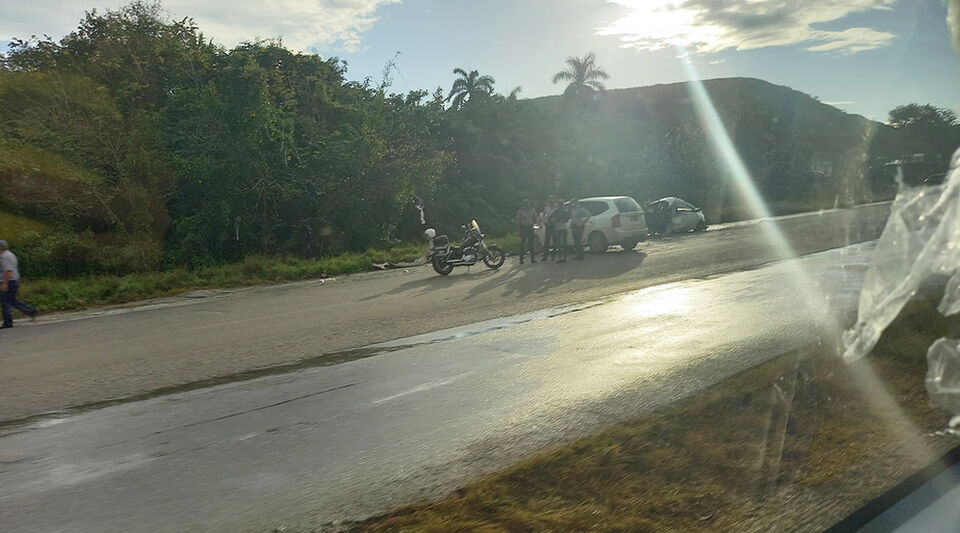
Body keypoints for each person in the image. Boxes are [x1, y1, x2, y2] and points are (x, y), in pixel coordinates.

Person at [0, 240, 38, 329]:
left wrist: (5, 284)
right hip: (12, 280)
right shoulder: (8, 255)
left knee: (5, 302)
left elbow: (8, 271)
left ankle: (8, 323)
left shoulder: (5, 257)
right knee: (12, 300)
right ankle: (31, 311)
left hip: (9, 281)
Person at [516, 199, 538, 264]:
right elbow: (518, 220)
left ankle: (532, 259)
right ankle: (521, 259)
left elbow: (535, 218)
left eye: (527, 203)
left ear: (529, 204)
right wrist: (519, 229)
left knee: (531, 243)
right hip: (524, 227)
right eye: (525, 203)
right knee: (523, 243)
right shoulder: (520, 211)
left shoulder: (532, 210)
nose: (526, 204)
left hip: (530, 227)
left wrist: (536, 225)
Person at [541, 195, 558, 261]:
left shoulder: (556, 207)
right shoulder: (546, 207)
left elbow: (559, 216)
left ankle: (553, 256)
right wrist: (545, 221)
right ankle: (545, 256)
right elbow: (543, 215)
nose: (551, 201)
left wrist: (555, 220)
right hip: (548, 225)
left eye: (552, 199)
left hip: (554, 225)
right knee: (547, 241)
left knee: (554, 241)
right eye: (550, 199)